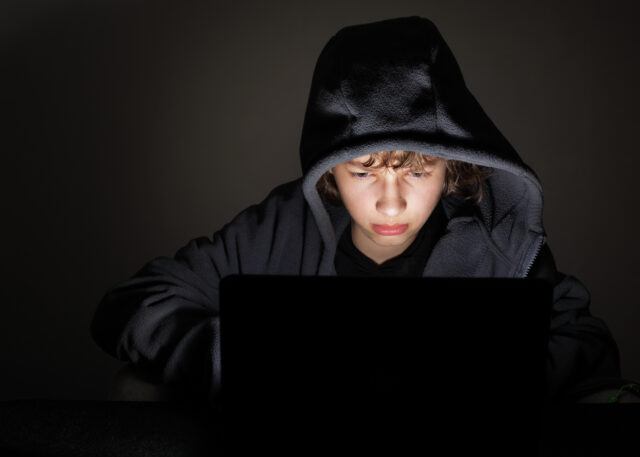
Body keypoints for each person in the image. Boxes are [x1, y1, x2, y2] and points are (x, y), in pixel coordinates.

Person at [91, 16, 627, 405]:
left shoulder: (498, 242)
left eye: (418, 171)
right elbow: (130, 304)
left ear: (452, 168)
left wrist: (477, 380)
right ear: (329, 172)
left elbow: (589, 342)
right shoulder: (280, 227)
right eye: (364, 172)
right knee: (135, 387)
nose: (391, 203)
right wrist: (236, 364)